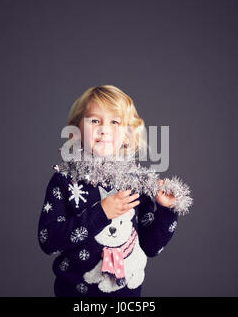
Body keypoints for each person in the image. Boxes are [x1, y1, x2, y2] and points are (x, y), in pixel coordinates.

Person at [37, 85, 191, 296]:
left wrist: (166, 211)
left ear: (128, 135)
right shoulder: (65, 180)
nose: (104, 129)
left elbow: (151, 247)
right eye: (94, 120)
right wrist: (101, 213)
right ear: (76, 130)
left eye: (115, 122)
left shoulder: (136, 183)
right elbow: (49, 241)